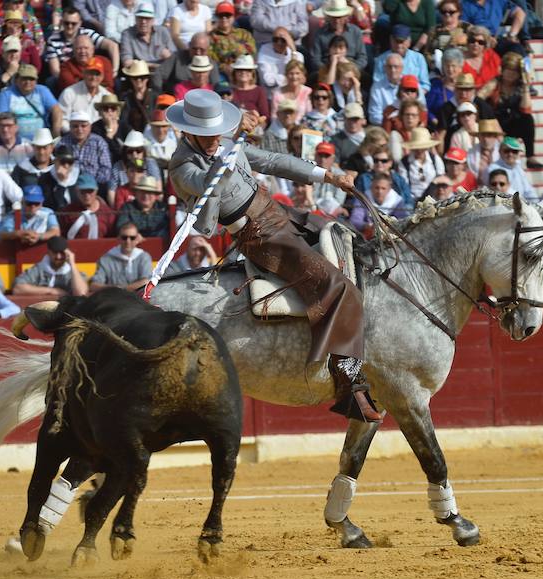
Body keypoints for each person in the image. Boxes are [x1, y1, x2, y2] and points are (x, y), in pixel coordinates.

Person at [166, 89, 377, 421]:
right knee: (336, 286)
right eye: (205, 135)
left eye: (214, 132)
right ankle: (348, 381)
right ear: (187, 131)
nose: (212, 140)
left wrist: (328, 176)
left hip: (281, 215)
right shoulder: (182, 164)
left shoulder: (226, 143)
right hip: (260, 235)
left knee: (349, 244)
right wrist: (232, 144)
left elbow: (275, 161)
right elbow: (211, 183)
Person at [482, 51, 542, 169]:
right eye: (508, 70)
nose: (510, 74)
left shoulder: (520, 86)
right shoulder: (496, 82)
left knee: (528, 119)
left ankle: (530, 156)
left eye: (514, 71)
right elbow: (480, 97)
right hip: (496, 121)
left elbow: (526, 108)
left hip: (513, 123)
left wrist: (525, 86)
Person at [45, 7, 120, 87]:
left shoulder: (87, 34)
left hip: (92, 72)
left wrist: (114, 70)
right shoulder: (52, 40)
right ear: (62, 22)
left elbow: (112, 46)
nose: (70, 26)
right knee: (52, 81)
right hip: (67, 74)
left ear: (80, 23)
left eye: (74, 23)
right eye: (67, 23)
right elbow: (56, 71)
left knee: (116, 81)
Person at [0, 64, 63, 141]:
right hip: (16, 140)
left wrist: (56, 132)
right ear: (16, 79)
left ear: (36, 81)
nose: (28, 82)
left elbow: (57, 110)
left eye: (31, 79)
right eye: (24, 78)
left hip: (41, 140)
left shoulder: (42, 91)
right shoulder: (6, 94)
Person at [13, 235, 90, 296]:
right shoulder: (38, 269)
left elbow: (81, 293)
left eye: (62, 253)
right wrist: (51, 291)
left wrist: (72, 264)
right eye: (55, 252)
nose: (58, 257)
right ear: (48, 252)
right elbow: (18, 289)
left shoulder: (72, 272)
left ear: (67, 253)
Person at [58, 111, 113, 194]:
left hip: (94, 187)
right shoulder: (63, 143)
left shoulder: (99, 142)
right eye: (75, 126)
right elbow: (57, 166)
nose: (80, 130)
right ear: (70, 127)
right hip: (70, 185)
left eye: (83, 126)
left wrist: (91, 183)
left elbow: (106, 169)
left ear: (90, 127)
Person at [89, 221, 152, 291]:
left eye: (132, 238)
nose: (128, 241)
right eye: (124, 237)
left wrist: (120, 289)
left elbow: (146, 282)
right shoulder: (105, 259)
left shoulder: (144, 257)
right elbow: (94, 285)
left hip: (137, 298)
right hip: (114, 298)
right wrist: (118, 290)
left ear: (137, 239)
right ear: (118, 238)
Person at [151, 32, 221, 93]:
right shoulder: (177, 57)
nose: (198, 52)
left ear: (208, 49)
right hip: (175, 96)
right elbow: (159, 73)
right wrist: (158, 91)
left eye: (202, 50)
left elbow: (216, 85)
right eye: (194, 48)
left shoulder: (211, 64)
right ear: (189, 45)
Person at [310, 0, 368, 73]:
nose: (337, 20)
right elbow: (315, 59)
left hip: (351, 68)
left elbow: (362, 57)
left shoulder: (355, 31)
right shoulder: (320, 33)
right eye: (334, 17)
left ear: (346, 17)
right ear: (329, 17)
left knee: (367, 80)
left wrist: (352, 69)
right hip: (327, 68)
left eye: (339, 17)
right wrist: (328, 70)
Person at [371, 24, 430, 93]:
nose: (399, 45)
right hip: (388, 97)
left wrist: (413, 97)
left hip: (413, 97)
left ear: (409, 41)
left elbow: (425, 85)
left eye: (402, 41)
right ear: (391, 39)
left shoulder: (418, 58)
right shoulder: (381, 60)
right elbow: (377, 83)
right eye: (396, 41)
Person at [120, 3, 176, 71]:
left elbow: (175, 58)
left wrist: (169, 57)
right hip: (139, 73)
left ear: (153, 20)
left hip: (162, 73)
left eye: (147, 18)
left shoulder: (162, 32)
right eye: (140, 18)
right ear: (135, 19)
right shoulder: (127, 34)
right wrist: (154, 66)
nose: (143, 21)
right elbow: (127, 63)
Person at [397, 127, 444, 200]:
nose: (419, 150)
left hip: (434, 199)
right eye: (417, 148)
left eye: (422, 147)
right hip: (413, 200)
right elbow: (404, 185)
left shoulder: (435, 160)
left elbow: (441, 178)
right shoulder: (404, 162)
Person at [115, 173, 168, 238]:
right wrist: (134, 234)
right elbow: (121, 226)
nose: (145, 196)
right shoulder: (127, 207)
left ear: (155, 195)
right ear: (136, 193)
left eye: (149, 192)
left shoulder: (163, 208)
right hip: (132, 245)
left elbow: (167, 228)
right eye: (142, 192)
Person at [208, 2, 255, 74]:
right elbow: (211, 59)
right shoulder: (211, 37)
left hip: (245, 69)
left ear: (233, 17)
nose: (224, 18)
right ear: (216, 17)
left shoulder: (244, 34)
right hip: (222, 72)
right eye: (221, 15)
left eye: (227, 15)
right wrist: (224, 67)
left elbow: (252, 52)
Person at [58, 57, 109, 123]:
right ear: (83, 74)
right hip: (74, 131)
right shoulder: (69, 93)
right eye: (90, 73)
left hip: (99, 132)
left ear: (102, 76)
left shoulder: (107, 95)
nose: (93, 77)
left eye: (97, 74)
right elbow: (62, 119)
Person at [66, 172, 117, 239]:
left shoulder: (108, 214)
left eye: (90, 191)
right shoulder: (68, 212)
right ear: (76, 191)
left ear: (96, 191)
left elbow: (113, 238)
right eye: (83, 191)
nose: (87, 195)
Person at [488, 135, 536, 201]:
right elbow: (498, 192)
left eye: (514, 151)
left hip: (521, 205)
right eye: (507, 151)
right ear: (500, 151)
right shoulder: (492, 168)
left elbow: (529, 191)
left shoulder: (518, 168)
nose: (510, 154)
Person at [257, 26, 304, 92]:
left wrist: (293, 50)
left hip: (291, 93)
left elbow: (298, 78)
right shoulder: (264, 51)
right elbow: (268, 81)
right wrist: (288, 78)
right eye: (275, 39)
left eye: (283, 40)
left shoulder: (297, 55)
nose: (279, 43)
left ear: (289, 41)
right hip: (271, 94)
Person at [311, 141, 348, 217]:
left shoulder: (341, 175)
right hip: (311, 210)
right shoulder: (308, 172)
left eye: (326, 156)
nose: (323, 159)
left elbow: (339, 202)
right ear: (315, 156)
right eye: (320, 155)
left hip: (332, 214)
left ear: (333, 158)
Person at [367, 52, 404, 125]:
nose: (393, 70)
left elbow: (422, 109)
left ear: (402, 68)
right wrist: (391, 123)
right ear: (385, 68)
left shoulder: (411, 84)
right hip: (384, 128)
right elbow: (374, 116)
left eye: (396, 66)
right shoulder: (377, 87)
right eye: (389, 67)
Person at [461, 25, 499, 90]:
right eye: (472, 41)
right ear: (467, 42)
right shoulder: (460, 59)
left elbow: (500, 76)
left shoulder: (492, 56)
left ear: (485, 45)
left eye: (480, 42)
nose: (476, 44)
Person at [330, 102, 367, 167]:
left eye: (355, 119)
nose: (352, 123)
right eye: (349, 119)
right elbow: (334, 165)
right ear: (344, 119)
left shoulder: (371, 136)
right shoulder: (336, 140)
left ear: (363, 120)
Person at [468, 117, 502, 183]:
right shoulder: (471, 153)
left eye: (489, 135)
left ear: (495, 137)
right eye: (483, 135)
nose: (485, 139)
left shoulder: (504, 152)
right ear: (478, 137)